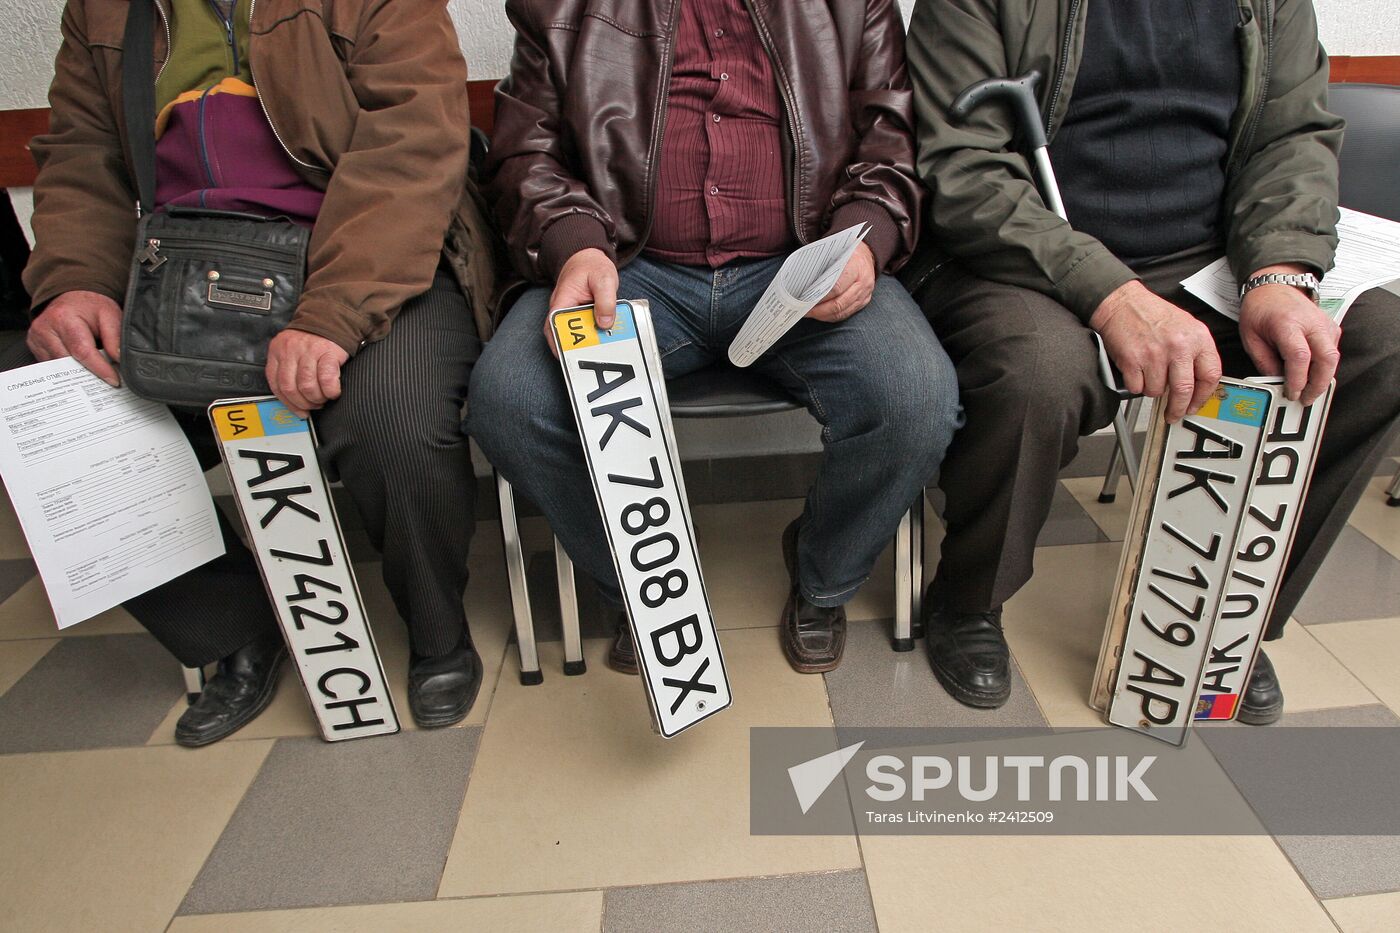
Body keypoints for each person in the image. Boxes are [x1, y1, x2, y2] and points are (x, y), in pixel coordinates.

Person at [16, 0, 497, 744]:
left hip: (366, 252)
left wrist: (331, 313)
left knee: (393, 421)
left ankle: (438, 630)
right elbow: (84, 156)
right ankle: (240, 622)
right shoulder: (99, 10)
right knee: (54, 424)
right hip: (187, 263)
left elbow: (414, 147)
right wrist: (74, 278)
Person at [905, 0, 1400, 719]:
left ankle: (1231, 614)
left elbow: (1290, 137)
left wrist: (1280, 272)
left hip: (1209, 254)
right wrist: (1108, 293)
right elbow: (965, 168)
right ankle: (970, 596)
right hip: (1029, 253)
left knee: (1375, 345)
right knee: (1039, 370)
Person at [468, 0, 960, 675]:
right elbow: (527, 153)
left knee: (915, 395)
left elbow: (891, 139)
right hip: (629, 268)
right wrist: (573, 245)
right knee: (512, 397)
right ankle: (642, 589)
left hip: (799, 266)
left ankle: (823, 577)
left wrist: (868, 234)